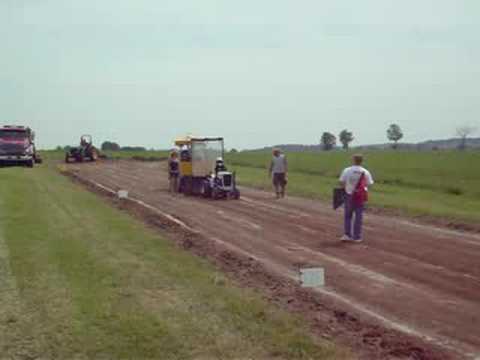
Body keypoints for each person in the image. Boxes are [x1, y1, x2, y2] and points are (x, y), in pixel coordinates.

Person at [339, 154, 374, 243]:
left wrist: (346, 189)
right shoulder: (365, 171)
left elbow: (341, 182)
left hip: (349, 194)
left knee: (348, 215)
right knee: (359, 216)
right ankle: (357, 237)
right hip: (360, 196)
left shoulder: (347, 170)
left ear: (353, 160)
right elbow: (370, 184)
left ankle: (347, 235)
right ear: (361, 161)